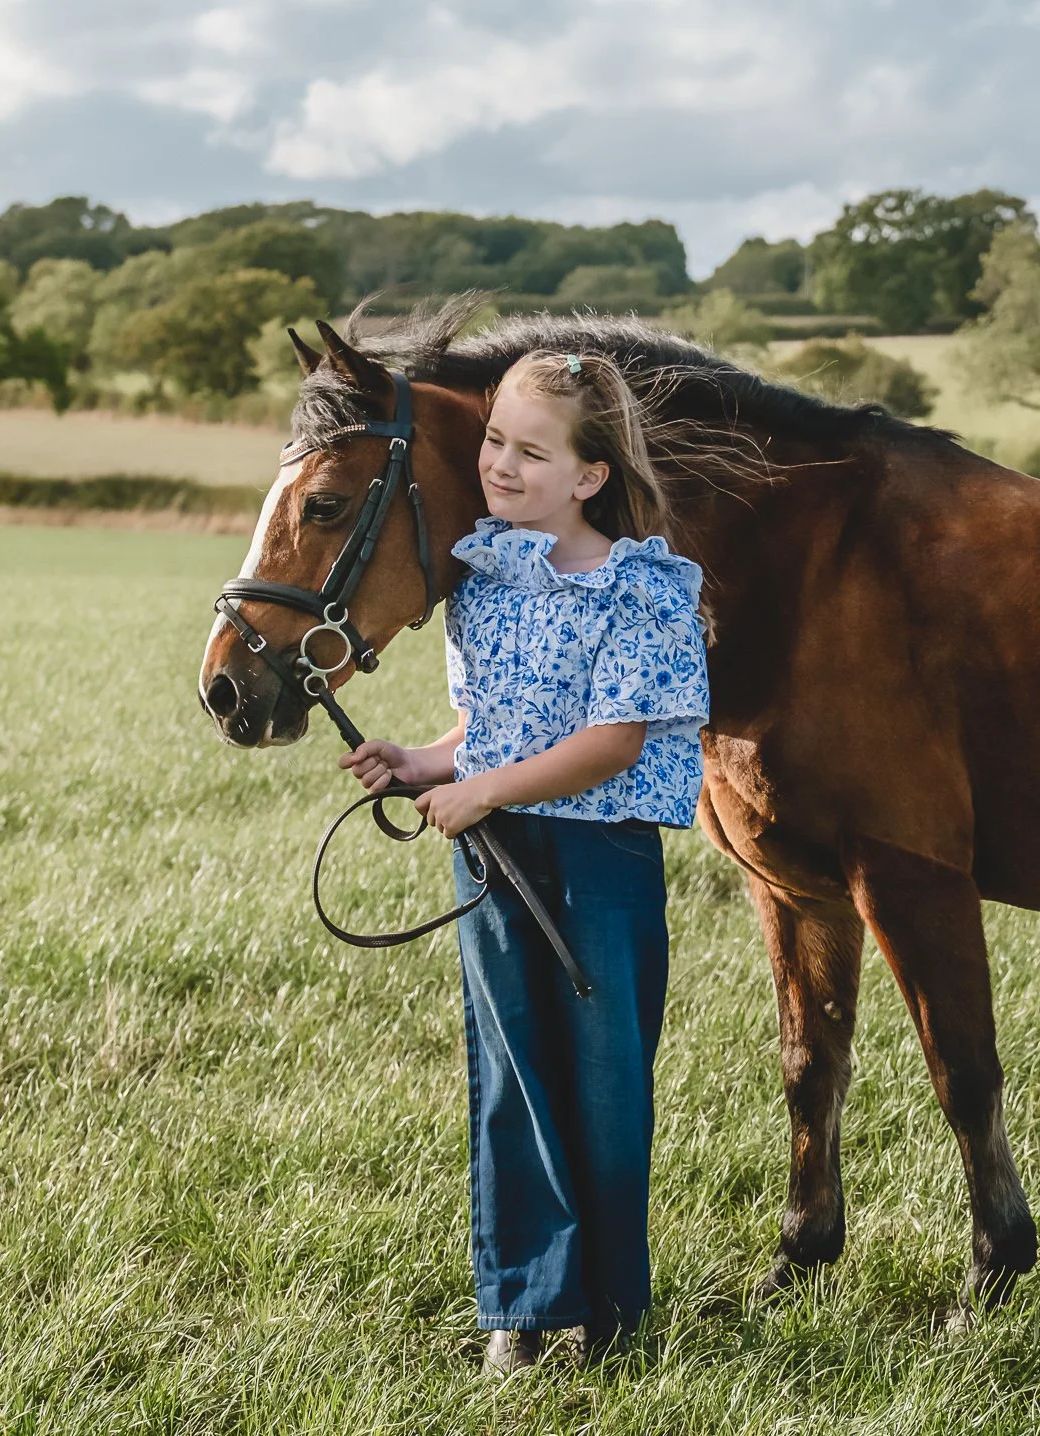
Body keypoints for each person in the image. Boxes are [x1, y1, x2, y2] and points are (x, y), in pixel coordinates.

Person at [339, 350, 707, 1373]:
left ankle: (607, 1309)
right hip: (495, 848)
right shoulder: (485, 576)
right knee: (510, 1073)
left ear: (590, 474)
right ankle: (521, 1304)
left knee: (602, 1078)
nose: (499, 464)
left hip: (602, 857)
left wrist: (485, 787)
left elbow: (609, 742)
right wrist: (420, 761)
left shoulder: (641, 588)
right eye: (495, 440)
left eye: (531, 451)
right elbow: (489, 727)